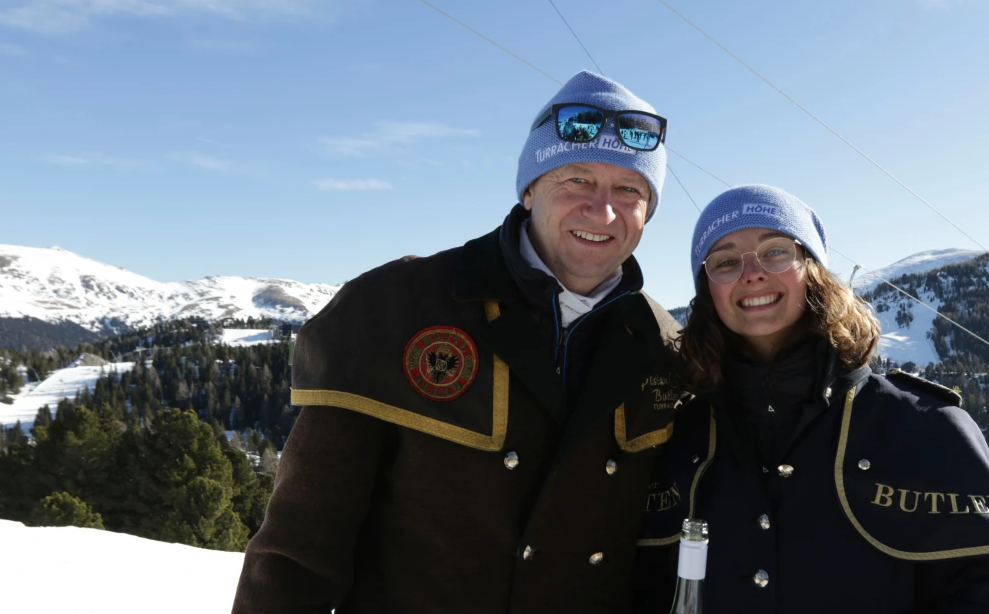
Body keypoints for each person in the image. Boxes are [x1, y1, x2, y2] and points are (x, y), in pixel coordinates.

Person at [232, 72, 684, 614]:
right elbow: (296, 555)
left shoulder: (666, 346)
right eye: (577, 180)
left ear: (648, 212)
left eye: (629, 190)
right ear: (530, 188)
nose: (602, 210)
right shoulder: (400, 306)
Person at [632, 184, 989, 613]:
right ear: (707, 291)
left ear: (813, 269)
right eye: (725, 262)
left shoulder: (920, 426)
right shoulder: (678, 438)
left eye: (775, 252)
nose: (752, 273)